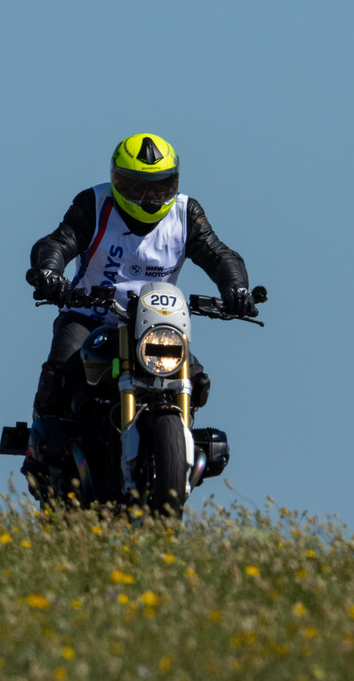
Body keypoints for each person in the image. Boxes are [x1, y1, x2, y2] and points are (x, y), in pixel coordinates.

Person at [23, 133, 254, 475]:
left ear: (173, 183)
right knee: (58, 374)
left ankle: (178, 448)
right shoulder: (94, 203)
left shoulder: (186, 213)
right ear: (117, 180)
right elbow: (58, 242)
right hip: (89, 316)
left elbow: (219, 255)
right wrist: (49, 273)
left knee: (199, 378)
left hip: (154, 324)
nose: (149, 197)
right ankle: (37, 453)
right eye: (136, 186)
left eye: (160, 186)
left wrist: (237, 288)